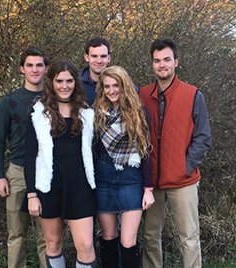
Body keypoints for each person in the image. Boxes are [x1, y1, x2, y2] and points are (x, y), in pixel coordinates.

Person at [139, 38, 212, 268]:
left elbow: (203, 137)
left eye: (167, 60)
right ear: (152, 65)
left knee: (189, 237)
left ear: (176, 62)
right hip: (151, 182)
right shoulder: (141, 95)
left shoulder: (193, 95)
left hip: (183, 180)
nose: (162, 65)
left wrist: (185, 165)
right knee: (151, 237)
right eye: (157, 61)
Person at [23, 59, 97, 268]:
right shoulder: (38, 113)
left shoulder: (87, 113)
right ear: (51, 82)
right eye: (59, 80)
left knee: (86, 244)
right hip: (49, 187)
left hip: (80, 186)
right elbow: (29, 156)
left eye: (69, 81)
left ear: (76, 83)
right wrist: (31, 194)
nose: (65, 86)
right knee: (53, 243)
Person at [0, 47, 48, 268]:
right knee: (16, 235)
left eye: (39, 65)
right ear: (22, 69)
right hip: (18, 173)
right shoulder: (10, 101)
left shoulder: (54, 98)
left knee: (47, 236)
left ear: (46, 68)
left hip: (46, 174)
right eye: (30, 65)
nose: (35, 69)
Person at [93, 65, 155, 268]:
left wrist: (148, 188)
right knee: (109, 237)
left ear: (124, 86)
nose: (111, 90)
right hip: (103, 179)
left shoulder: (139, 112)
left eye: (116, 85)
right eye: (107, 86)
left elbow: (146, 152)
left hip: (131, 179)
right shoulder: (97, 113)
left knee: (128, 241)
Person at [81, 37, 111, 106]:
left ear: (109, 58)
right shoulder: (75, 84)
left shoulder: (120, 83)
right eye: (94, 56)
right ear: (86, 58)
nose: (99, 61)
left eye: (103, 56)